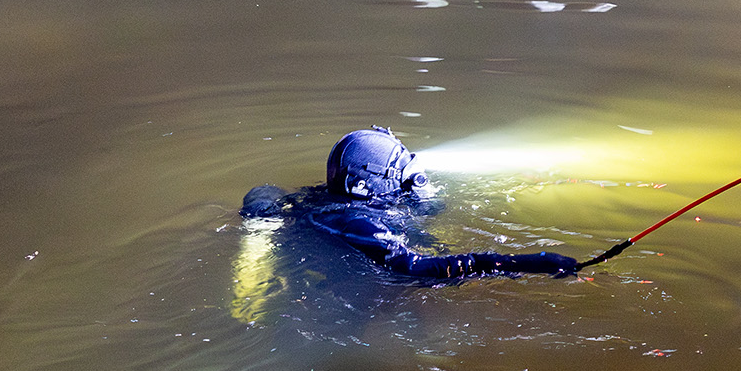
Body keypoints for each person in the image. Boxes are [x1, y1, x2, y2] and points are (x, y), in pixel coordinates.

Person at [242, 127, 579, 279]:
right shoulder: (360, 223)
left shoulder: (322, 200)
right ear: (367, 184)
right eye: (398, 175)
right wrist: (529, 263)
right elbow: (414, 268)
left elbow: (264, 194)